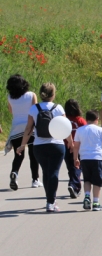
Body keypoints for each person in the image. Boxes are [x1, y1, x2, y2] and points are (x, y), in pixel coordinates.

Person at [17, 83, 72, 213]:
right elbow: (65, 127)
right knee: (54, 173)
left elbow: (28, 129)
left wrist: (23, 145)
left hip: (39, 146)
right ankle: (51, 202)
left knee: (46, 173)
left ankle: (50, 199)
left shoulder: (34, 108)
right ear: (53, 94)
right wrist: (70, 142)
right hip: (56, 145)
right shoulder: (58, 108)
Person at [6, 74, 41, 190]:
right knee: (33, 154)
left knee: (18, 154)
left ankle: (14, 173)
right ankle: (35, 179)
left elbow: (11, 111)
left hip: (16, 128)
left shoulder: (10, 97)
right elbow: (35, 110)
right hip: (30, 127)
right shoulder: (31, 95)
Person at [74, 110, 102, 211]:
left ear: (86, 119)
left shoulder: (80, 130)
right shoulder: (100, 130)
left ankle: (86, 196)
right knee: (97, 181)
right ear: (97, 119)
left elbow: (76, 146)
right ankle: (96, 202)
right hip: (96, 158)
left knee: (87, 179)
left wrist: (76, 158)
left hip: (84, 158)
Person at [64, 99, 86, 198]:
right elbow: (86, 132)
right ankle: (73, 185)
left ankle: (74, 186)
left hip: (65, 146)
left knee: (70, 167)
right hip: (79, 147)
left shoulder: (64, 120)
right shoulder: (80, 120)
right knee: (77, 166)